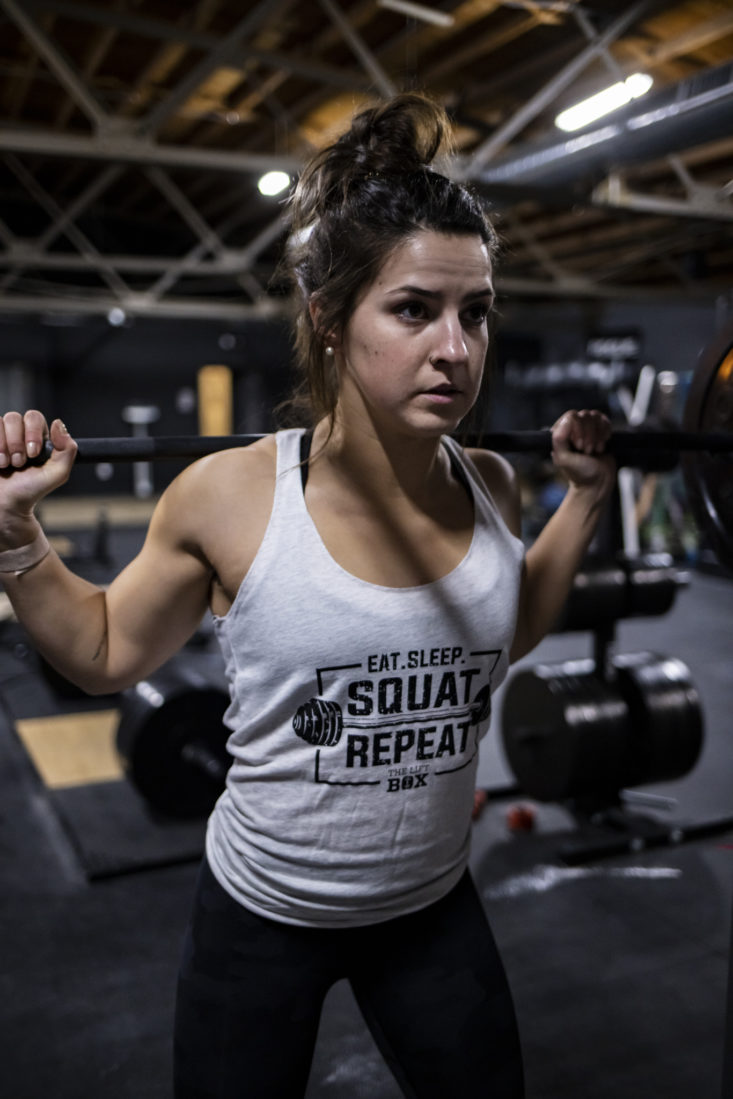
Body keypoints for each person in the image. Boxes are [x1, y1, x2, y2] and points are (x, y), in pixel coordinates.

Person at [0, 94, 615, 1099]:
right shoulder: (235, 496)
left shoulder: (492, 486)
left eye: (476, 311)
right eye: (413, 309)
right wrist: (17, 538)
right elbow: (104, 650)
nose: (454, 347)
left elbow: (506, 635)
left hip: (430, 906)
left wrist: (583, 504)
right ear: (331, 322)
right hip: (263, 915)